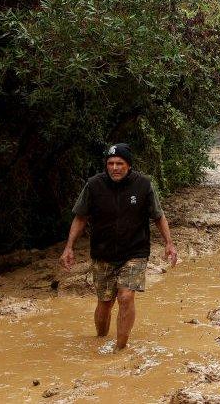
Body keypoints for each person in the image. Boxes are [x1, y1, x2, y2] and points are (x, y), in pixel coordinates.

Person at [59, 143, 178, 350]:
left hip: (135, 252)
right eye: (110, 163)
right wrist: (69, 247)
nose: (115, 168)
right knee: (105, 302)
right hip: (103, 253)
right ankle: (100, 338)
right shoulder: (94, 185)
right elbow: (80, 217)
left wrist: (169, 243)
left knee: (126, 296)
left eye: (119, 164)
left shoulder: (143, 185)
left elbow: (159, 216)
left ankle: (120, 349)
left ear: (129, 165)